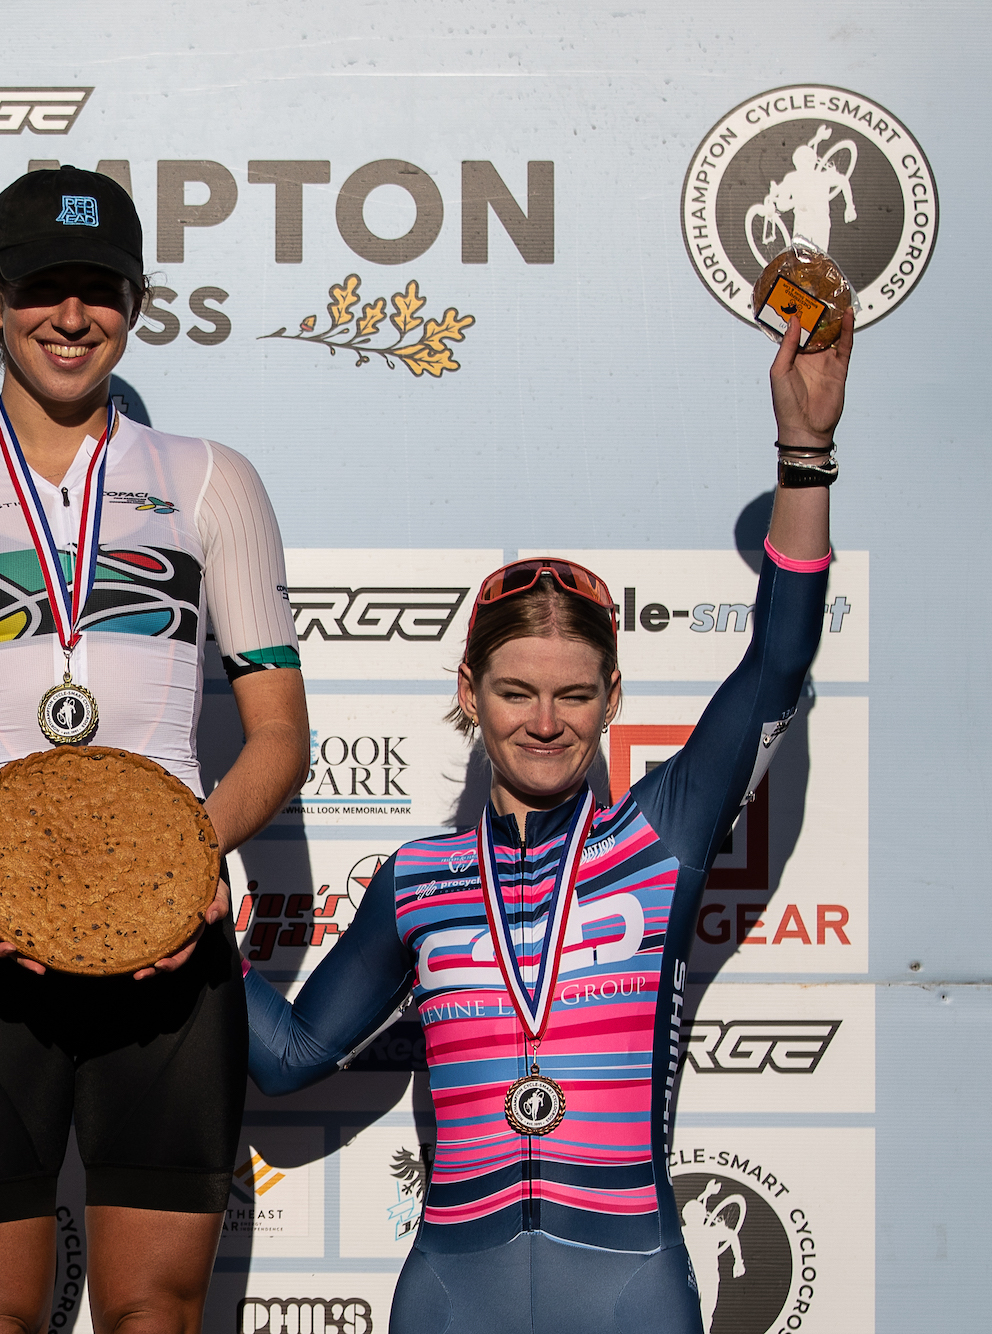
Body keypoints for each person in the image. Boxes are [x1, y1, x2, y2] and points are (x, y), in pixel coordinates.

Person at [243, 315, 850, 1333]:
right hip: (450, 1283)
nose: (541, 719)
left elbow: (777, 662)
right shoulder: (418, 879)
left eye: (571, 694)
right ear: (468, 692)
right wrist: (172, 931)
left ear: (610, 695)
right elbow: (289, 1053)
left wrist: (803, 452)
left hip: (624, 1280)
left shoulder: (658, 834)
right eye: (515, 689)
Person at [0, 166, 310, 1333]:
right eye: (42, 286)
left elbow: (278, 735)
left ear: (135, 301)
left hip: (172, 945)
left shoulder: (208, 480)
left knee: (156, 1309)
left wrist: (180, 860)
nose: (70, 315)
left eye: (98, 288)